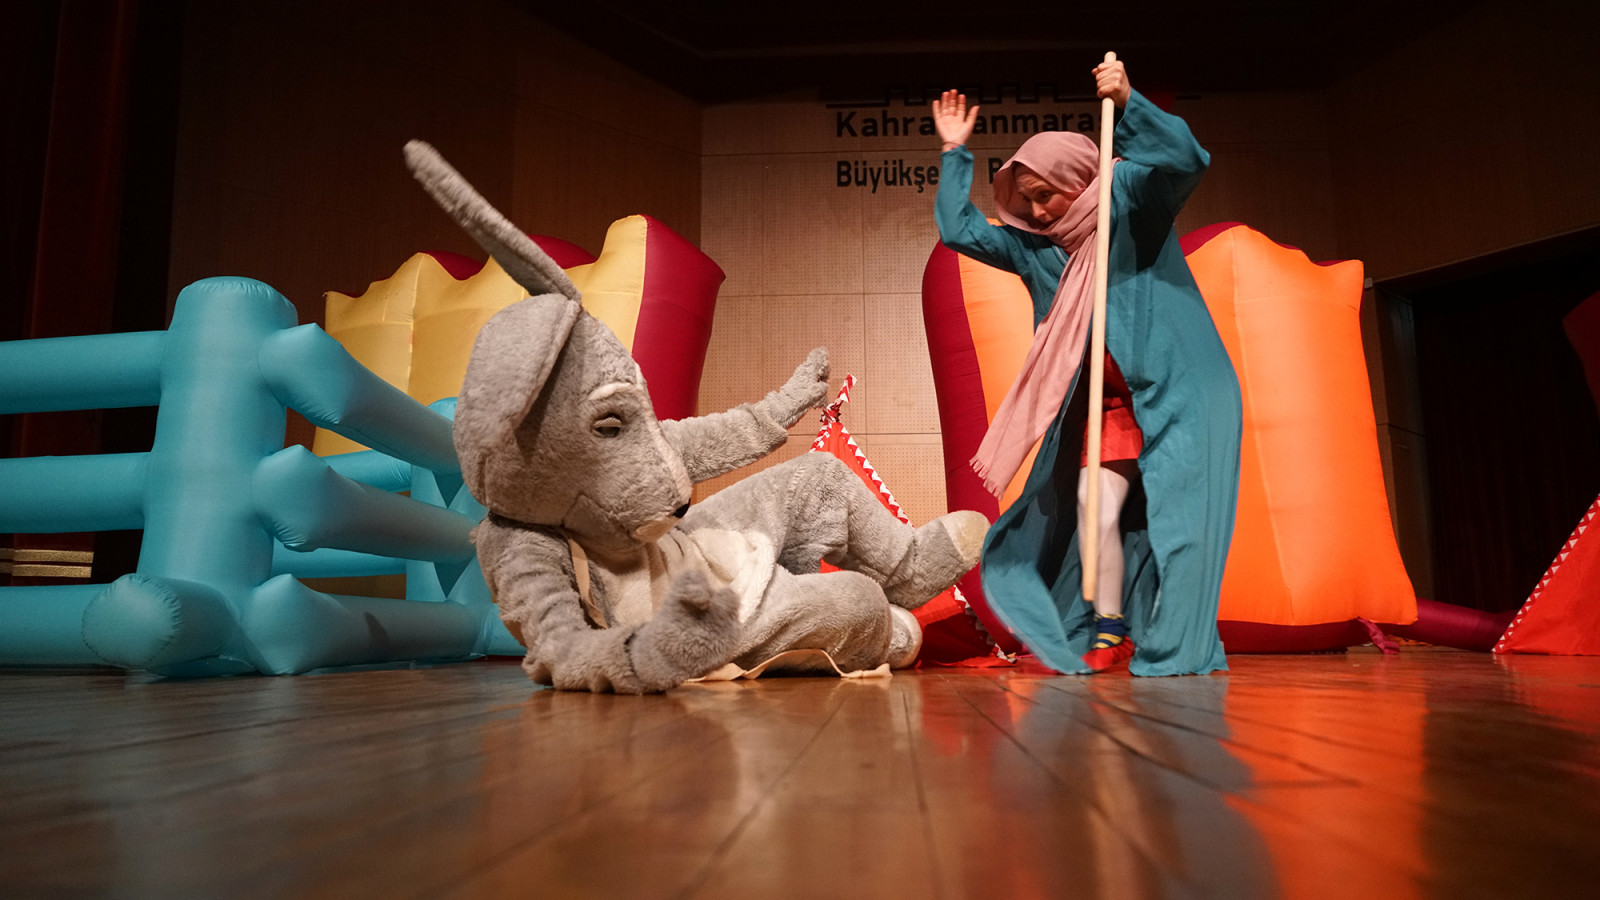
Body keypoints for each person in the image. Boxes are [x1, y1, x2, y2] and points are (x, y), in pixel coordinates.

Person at [931, 59, 1242, 676]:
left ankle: (1178, 643)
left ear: (1077, 180)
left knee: (1184, 523)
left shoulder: (1132, 202)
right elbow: (958, 230)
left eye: (1044, 195)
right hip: (1107, 408)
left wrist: (1128, 101)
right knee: (1094, 509)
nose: (1037, 212)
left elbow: (1187, 159)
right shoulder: (1035, 249)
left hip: (1181, 394)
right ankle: (1109, 629)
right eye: (1026, 201)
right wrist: (953, 152)